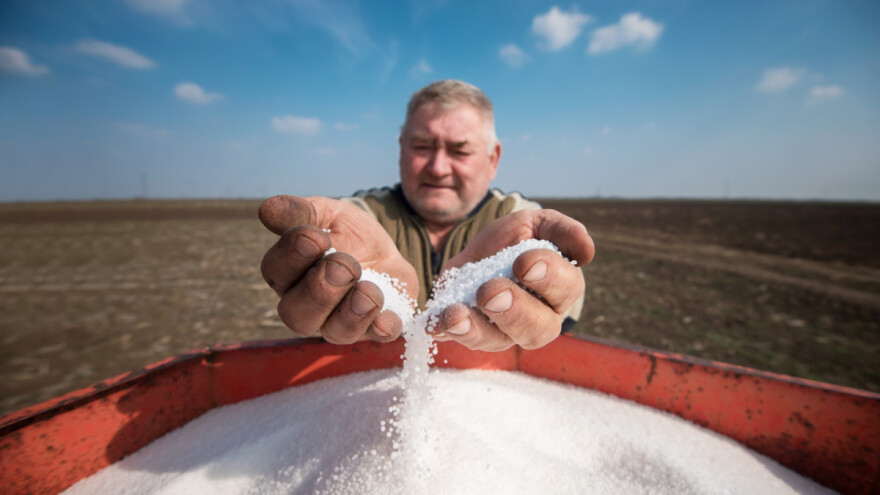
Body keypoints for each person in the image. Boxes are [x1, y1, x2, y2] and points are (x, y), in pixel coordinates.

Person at [259, 80, 595, 352]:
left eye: (459, 150)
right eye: (422, 146)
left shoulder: (517, 221)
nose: (437, 167)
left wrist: (553, 296)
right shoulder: (363, 218)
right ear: (401, 149)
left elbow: (565, 291)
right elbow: (333, 243)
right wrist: (318, 277)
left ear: (493, 159)